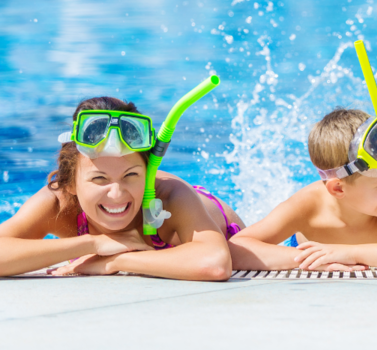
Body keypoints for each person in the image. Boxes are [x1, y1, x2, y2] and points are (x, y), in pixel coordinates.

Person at [0, 96, 241, 280]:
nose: (116, 194)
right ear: (71, 183)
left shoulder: (170, 196)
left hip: (228, 233)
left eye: (131, 175)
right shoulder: (59, 203)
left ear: (148, 174)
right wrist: (92, 244)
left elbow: (215, 263)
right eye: (99, 179)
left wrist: (117, 261)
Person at [229, 107, 377, 271]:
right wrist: (314, 260)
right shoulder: (308, 206)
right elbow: (236, 249)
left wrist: (349, 253)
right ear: (338, 189)